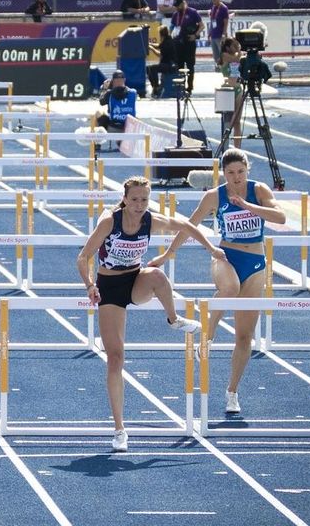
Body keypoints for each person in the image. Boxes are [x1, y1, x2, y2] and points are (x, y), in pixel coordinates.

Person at [77, 176, 224, 452]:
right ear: (125, 199)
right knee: (115, 358)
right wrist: (89, 285)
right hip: (109, 288)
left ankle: (173, 320)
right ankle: (120, 429)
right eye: (134, 200)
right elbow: (82, 257)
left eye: (144, 200)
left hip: (136, 281)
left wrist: (211, 248)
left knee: (157, 275)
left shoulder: (151, 221)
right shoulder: (110, 221)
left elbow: (186, 225)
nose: (139, 205)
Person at [158, 149, 286, 415]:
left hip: (255, 263)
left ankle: (232, 392)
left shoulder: (258, 190)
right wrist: (170, 252)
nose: (236, 178)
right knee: (229, 288)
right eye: (230, 173)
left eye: (240, 172)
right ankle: (207, 336)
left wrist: (249, 206)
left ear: (247, 170)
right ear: (222, 174)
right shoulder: (214, 196)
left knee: (244, 336)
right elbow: (190, 225)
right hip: (226, 256)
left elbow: (281, 218)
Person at [94, 70, 137, 148]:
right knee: (134, 116)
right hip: (129, 127)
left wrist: (105, 89)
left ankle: (97, 143)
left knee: (98, 113)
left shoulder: (109, 94)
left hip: (113, 127)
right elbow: (123, 91)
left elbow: (101, 101)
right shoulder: (133, 93)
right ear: (124, 80)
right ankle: (121, 140)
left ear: (113, 81)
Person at [171, 0, 203, 93]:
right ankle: (181, 87)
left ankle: (190, 87)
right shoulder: (175, 14)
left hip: (189, 43)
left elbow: (202, 26)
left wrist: (195, 35)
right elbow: (172, 27)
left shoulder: (192, 12)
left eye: (178, 6)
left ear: (182, 4)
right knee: (179, 65)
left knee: (190, 65)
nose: (176, 8)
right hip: (178, 43)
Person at [219, 37, 243, 143]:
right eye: (234, 46)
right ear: (228, 47)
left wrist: (238, 49)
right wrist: (239, 49)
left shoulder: (237, 55)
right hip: (227, 91)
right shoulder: (224, 56)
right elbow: (236, 59)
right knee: (227, 122)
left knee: (237, 122)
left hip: (237, 89)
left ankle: (237, 148)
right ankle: (225, 146)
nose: (236, 47)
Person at [146, 25, 177, 98]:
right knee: (151, 68)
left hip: (169, 65)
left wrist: (151, 48)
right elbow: (159, 46)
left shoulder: (167, 43)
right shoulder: (168, 39)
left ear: (161, 34)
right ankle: (155, 86)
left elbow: (159, 54)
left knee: (150, 68)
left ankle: (156, 87)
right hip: (169, 63)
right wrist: (150, 44)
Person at [208, 0, 230, 69]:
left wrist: (224, 33)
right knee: (215, 55)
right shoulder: (213, 7)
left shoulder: (224, 8)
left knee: (222, 53)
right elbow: (212, 21)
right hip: (213, 35)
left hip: (220, 35)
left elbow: (226, 21)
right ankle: (218, 68)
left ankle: (225, 69)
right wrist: (209, 33)